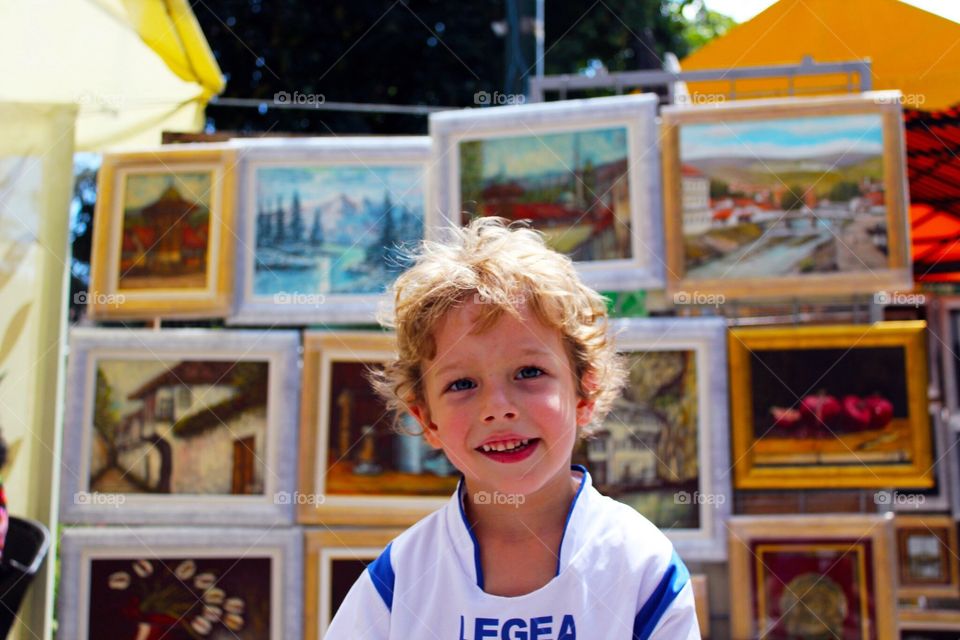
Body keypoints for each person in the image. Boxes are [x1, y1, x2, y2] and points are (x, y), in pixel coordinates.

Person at [325, 218, 700, 639]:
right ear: (426, 419)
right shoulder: (397, 582)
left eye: (528, 372)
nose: (498, 408)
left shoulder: (641, 565)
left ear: (584, 392)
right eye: (462, 384)